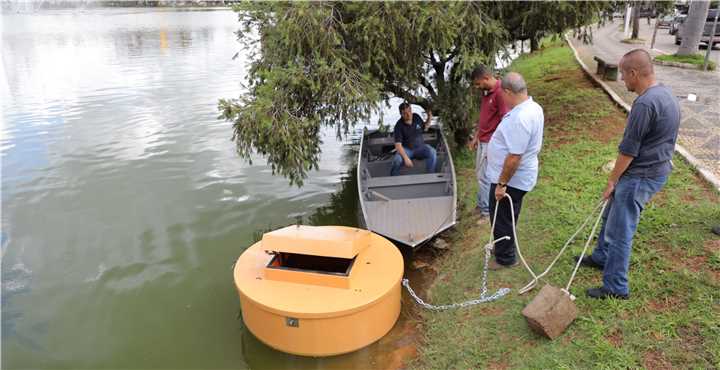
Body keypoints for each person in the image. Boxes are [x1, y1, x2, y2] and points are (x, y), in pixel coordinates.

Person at [575, 49, 680, 300]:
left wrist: (612, 180)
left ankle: (615, 286)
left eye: (623, 74)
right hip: (656, 169)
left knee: (622, 229)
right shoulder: (665, 93)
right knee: (611, 214)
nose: (622, 79)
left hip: (641, 175)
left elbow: (628, 151)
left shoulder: (644, 104)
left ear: (634, 73)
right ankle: (601, 256)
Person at [485, 72, 544, 270]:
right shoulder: (533, 107)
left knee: (501, 217)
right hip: (518, 177)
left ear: (508, 92)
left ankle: (505, 258)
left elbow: (514, 157)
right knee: (508, 215)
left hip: (511, 180)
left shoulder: (520, 117)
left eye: (502, 93)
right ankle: (504, 245)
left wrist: (502, 184)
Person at [469, 65, 509, 220]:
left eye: (478, 84)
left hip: (490, 143)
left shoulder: (499, 93)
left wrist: (495, 143)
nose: (477, 87)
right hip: (482, 140)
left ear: (486, 78)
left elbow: (504, 121)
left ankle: (486, 212)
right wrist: (476, 138)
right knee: (479, 174)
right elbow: (484, 119)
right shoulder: (486, 93)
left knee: (485, 177)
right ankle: (481, 205)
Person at [390, 102, 436, 176]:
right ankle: (394, 179)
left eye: (409, 111)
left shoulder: (416, 117)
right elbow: (398, 146)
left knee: (432, 152)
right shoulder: (398, 126)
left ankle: (430, 175)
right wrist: (406, 158)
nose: (408, 114)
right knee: (397, 160)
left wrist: (429, 117)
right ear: (401, 115)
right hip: (407, 150)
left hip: (420, 148)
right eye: (405, 113)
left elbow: (425, 128)